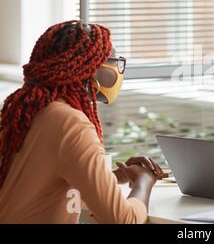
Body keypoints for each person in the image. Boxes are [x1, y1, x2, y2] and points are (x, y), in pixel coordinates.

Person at [0, 20, 161, 223]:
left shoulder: (23, 110)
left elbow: (44, 186)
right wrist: (143, 182)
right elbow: (123, 220)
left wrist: (110, 177)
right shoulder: (71, 124)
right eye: (114, 61)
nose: (119, 70)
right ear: (90, 69)